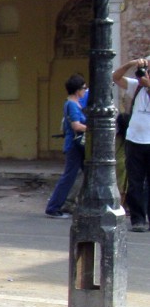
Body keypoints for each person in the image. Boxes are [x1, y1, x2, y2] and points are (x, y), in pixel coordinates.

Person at [113, 56, 150, 232]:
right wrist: (131, 64)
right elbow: (116, 77)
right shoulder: (136, 87)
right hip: (134, 140)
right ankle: (138, 220)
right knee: (135, 181)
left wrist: (148, 84)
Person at [45, 73, 88, 219]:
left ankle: (81, 204)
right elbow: (76, 125)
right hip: (74, 145)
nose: (84, 90)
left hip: (77, 144)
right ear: (77, 90)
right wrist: (93, 128)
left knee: (87, 175)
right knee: (69, 176)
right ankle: (53, 207)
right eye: (83, 88)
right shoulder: (72, 104)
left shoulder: (74, 103)